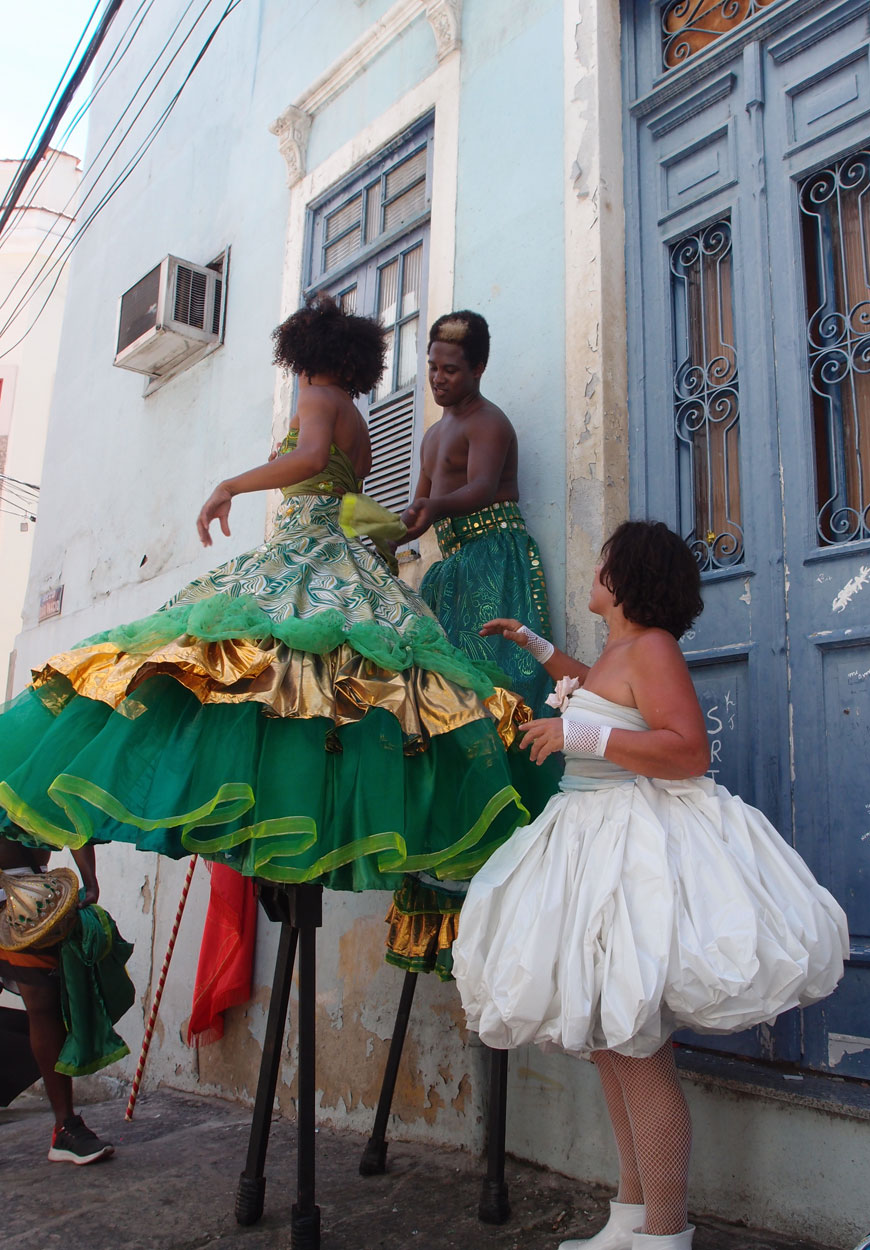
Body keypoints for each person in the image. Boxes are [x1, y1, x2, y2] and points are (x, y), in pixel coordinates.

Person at [0, 296, 532, 889]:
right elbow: (349, 501)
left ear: (303, 357)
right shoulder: (356, 417)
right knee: (331, 691)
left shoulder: (315, 397)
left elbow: (307, 459)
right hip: (346, 558)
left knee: (233, 672)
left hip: (302, 554)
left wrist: (231, 483)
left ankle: (271, 812)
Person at [451, 520, 849, 1250]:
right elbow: (597, 695)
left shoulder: (654, 648)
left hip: (629, 850)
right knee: (611, 1043)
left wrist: (581, 738)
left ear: (626, 577)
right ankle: (629, 1216)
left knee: (637, 1051)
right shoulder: (619, 651)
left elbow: (686, 749)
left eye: (603, 561)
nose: (594, 571)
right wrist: (537, 649)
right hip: (587, 837)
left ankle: (666, 1235)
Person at [384, 310, 559, 978]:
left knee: (501, 701)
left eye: (449, 369)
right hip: (449, 574)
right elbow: (422, 505)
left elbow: (480, 489)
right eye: (431, 366)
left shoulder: (491, 423)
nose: (437, 378)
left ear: (478, 369)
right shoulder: (430, 435)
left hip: (496, 564)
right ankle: (448, 873)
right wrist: (386, 535)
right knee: (438, 713)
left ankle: (514, 859)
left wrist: (430, 512)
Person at [0, 835, 116, 1164]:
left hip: (26, 902)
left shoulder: (35, 782)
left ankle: (65, 1128)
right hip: (25, 898)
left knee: (44, 1005)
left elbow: (71, 811)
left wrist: (90, 880)